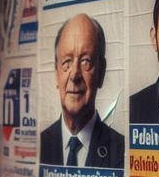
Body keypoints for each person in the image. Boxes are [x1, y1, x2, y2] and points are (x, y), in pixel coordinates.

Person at [39, 13, 124, 168]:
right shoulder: (38, 146)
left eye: (86, 61)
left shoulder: (123, 152)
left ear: (101, 72)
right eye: (66, 62)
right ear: (56, 73)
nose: (74, 74)